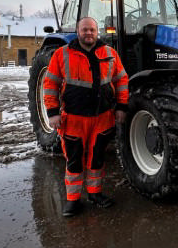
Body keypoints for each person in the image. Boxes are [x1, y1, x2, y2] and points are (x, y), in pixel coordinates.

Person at [43, 17, 128, 217]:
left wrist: (122, 106)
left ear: (97, 31)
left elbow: (121, 80)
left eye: (92, 30)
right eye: (84, 30)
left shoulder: (110, 53)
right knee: (74, 160)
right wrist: (53, 113)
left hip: (102, 117)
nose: (88, 33)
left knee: (97, 158)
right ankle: (73, 200)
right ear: (78, 31)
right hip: (74, 119)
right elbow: (50, 84)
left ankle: (95, 193)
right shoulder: (61, 54)